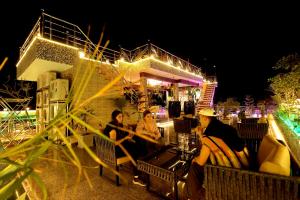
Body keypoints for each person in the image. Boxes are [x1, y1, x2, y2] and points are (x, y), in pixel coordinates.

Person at [186, 108, 249, 200]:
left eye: (200, 118)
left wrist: (195, 159)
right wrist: (201, 134)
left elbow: (201, 161)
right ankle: (190, 192)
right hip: (240, 165)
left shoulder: (210, 133)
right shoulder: (225, 127)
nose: (199, 121)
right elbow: (211, 144)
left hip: (229, 171)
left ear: (206, 118)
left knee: (194, 166)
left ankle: (194, 195)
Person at [103, 109, 146, 187]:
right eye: (119, 117)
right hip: (113, 150)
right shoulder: (113, 129)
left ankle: (137, 166)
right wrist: (125, 138)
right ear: (114, 118)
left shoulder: (118, 125)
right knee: (135, 150)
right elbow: (114, 143)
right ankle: (136, 177)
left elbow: (123, 134)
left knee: (138, 142)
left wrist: (129, 133)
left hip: (120, 146)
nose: (121, 118)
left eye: (122, 116)